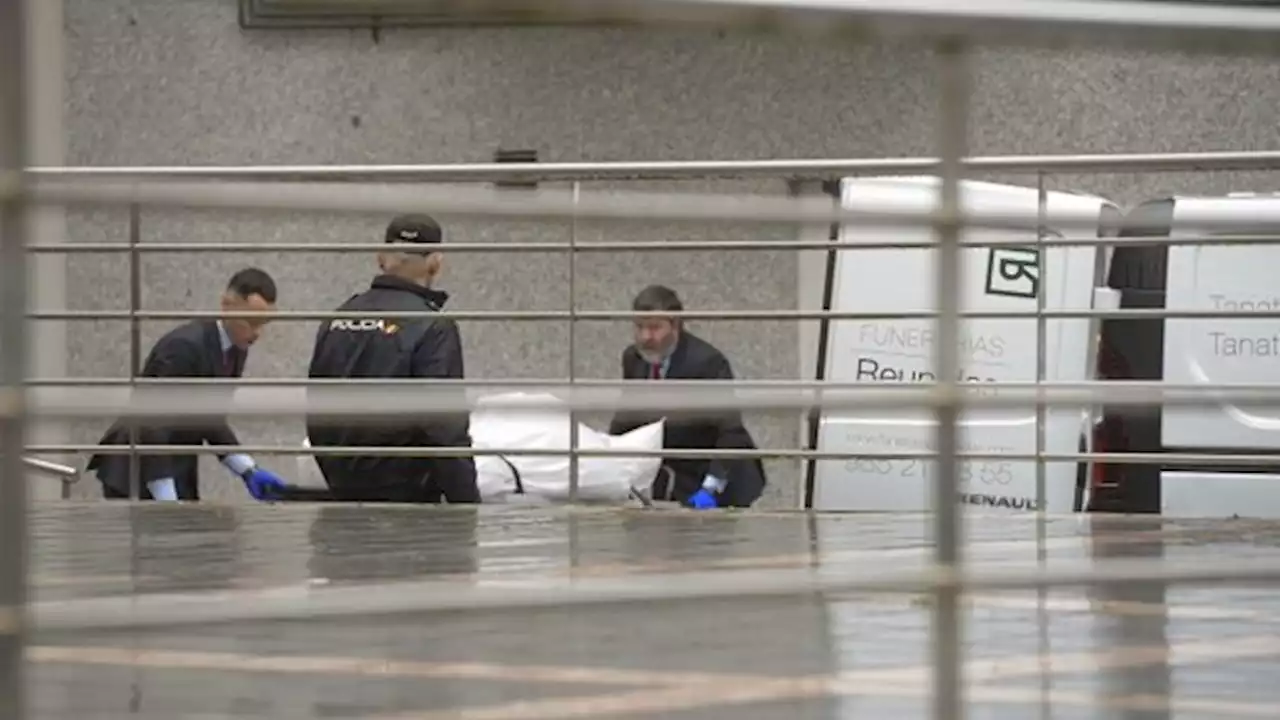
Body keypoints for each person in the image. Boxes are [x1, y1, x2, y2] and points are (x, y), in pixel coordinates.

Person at [306, 214, 481, 504]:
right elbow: (444, 430)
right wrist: (467, 506)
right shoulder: (433, 326)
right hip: (409, 507)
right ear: (436, 262)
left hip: (343, 501)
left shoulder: (338, 318)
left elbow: (315, 411)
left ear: (380, 257)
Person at [88, 268, 288, 502]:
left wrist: (247, 469)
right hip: (138, 474)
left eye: (263, 323)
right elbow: (151, 422)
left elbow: (208, 417)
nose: (257, 333)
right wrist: (165, 495)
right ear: (226, 305)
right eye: (251, 322)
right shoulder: (184, 347)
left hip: (173, 466)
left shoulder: (235, 346)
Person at [608, 285, 767, 509]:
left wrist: (711, 489)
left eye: (654, 328)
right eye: (639, 327)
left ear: (676, 326)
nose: (645, 337)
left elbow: (731, 434)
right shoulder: (633, 358)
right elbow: (626, 418)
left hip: (715, 475)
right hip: (672, 474)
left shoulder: (707, 362)